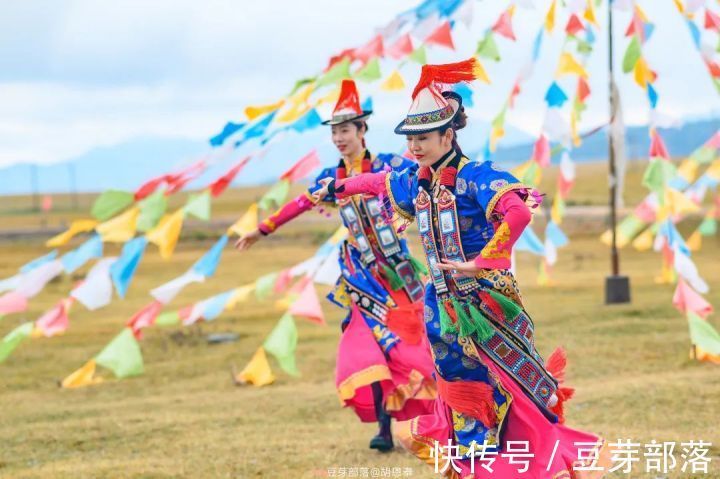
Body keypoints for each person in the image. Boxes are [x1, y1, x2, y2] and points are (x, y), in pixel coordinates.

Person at [312, 59, 611, 478]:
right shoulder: (417, 181)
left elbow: (518, 213)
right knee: (455, 378)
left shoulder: (476, 176)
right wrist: (336, 187)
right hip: (441, 302)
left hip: (488, 301)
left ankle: (533, 460)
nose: (414, 147)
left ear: (448, 135)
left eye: (423, 138)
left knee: (507, 379)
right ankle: (476, 464)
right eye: (411, 139)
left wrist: (484, 260)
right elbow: (377, 183)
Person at [235, 80, 436, 452]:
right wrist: (262, 230)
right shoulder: (331, 179)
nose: (339, 138)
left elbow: (427, 171)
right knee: (371, 345)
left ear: (362, 130)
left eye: (345, 130)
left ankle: (438, 412)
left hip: (400, 271)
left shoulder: (391, 166)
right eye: (334, 132)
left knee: (412, 341)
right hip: (360, 273)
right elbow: (299, 204)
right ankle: (383, 430)